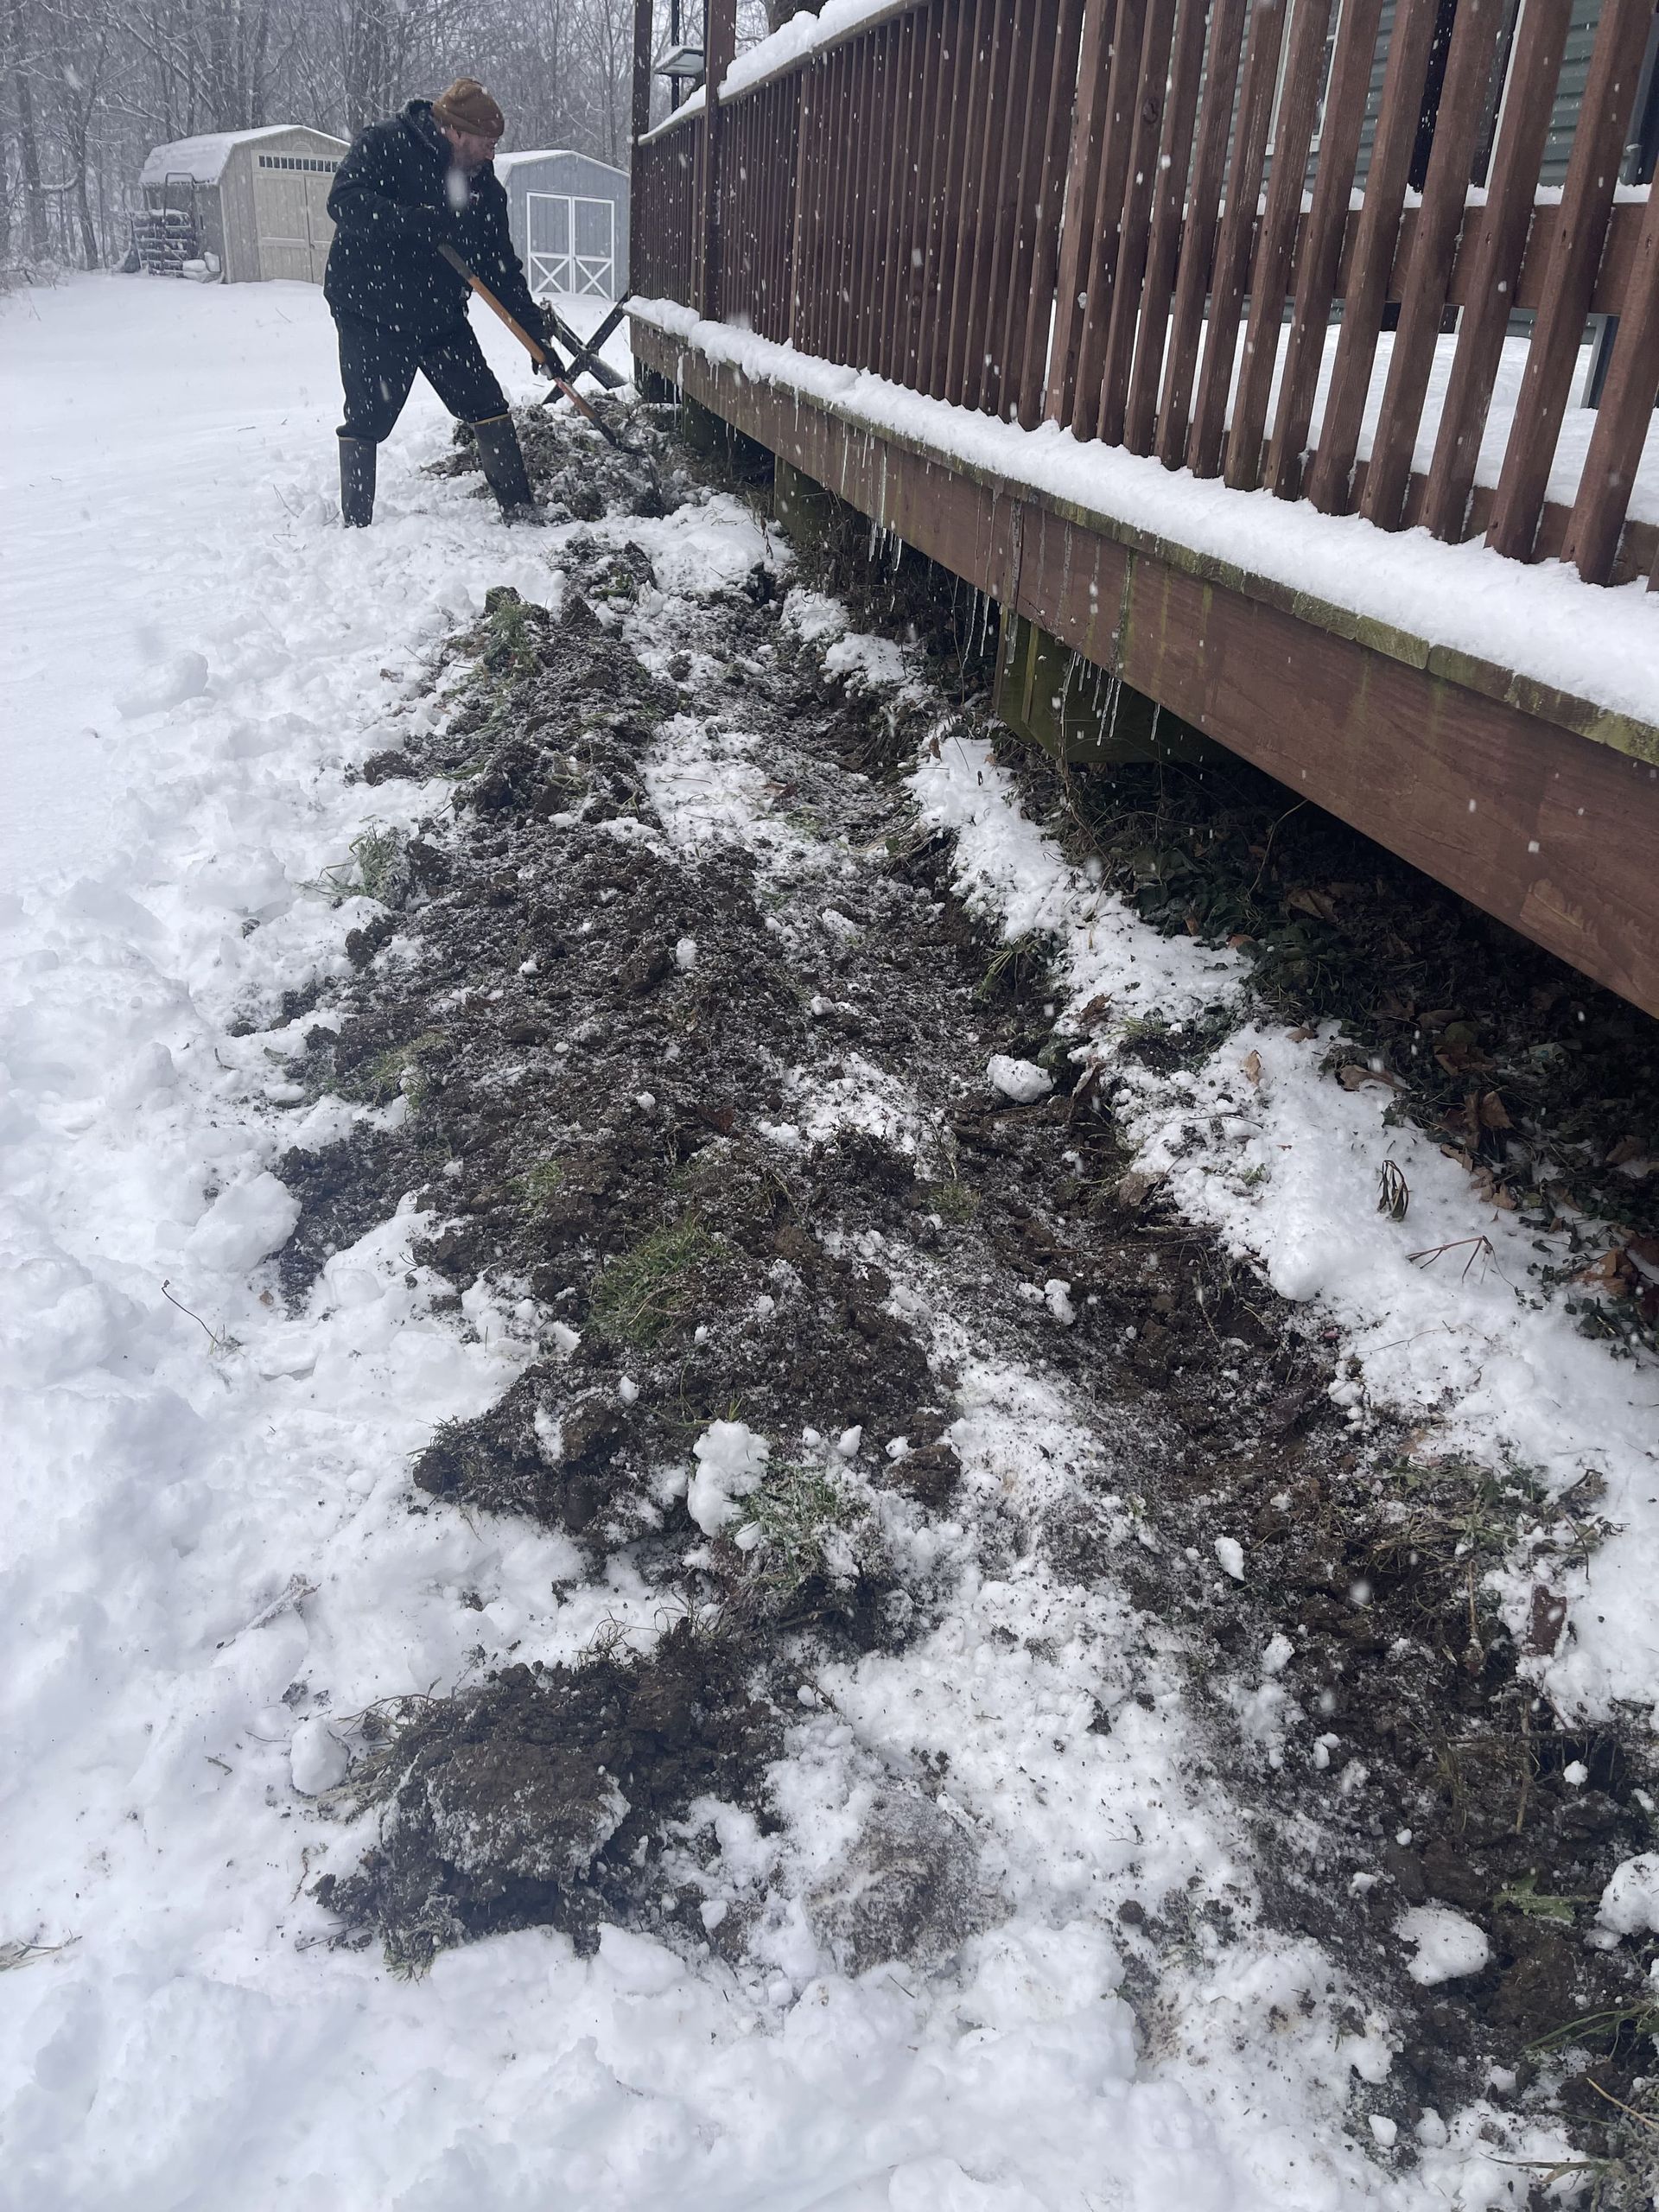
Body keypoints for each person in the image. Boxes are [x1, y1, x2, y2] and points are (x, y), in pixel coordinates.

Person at [323, 78, 550, 527]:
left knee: (485, 402)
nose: (492, 153)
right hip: (373, 308)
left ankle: (521, 512)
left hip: (438, 313)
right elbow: (344, 202)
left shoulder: (483, 188)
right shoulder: (386, 145)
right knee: (370, 416)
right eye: (487, 142)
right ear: (457, 132)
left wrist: (535, 337)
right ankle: (355, 523)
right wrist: (408, 221)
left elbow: (500, 268)